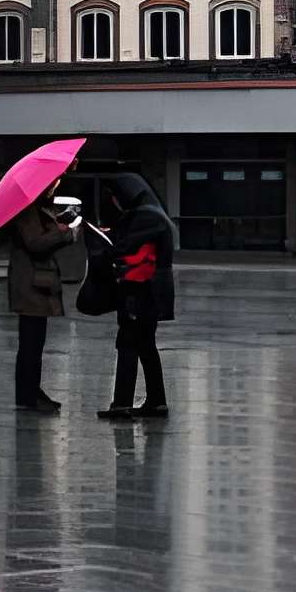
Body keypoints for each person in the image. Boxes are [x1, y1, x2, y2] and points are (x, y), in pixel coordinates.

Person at [98, 173, 179, 420]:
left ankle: (121, 403)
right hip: (151, 293)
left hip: (139, 291)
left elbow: (123, 249)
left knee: (128, 344)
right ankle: (156, 402)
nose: (114, 201)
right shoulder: (153, 214)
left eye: (114, 196)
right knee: (146, 346)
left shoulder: (143, 217)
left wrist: (100, 238)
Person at [4, 193, 78, 413]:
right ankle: (28, 395)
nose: (53, 189)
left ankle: (30, 392)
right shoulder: (27, 212)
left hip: (36, 283)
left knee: (34, 343)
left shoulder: (37, 210)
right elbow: (36, 243)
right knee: (30, 344)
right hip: (30, 285)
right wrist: (62, 232)